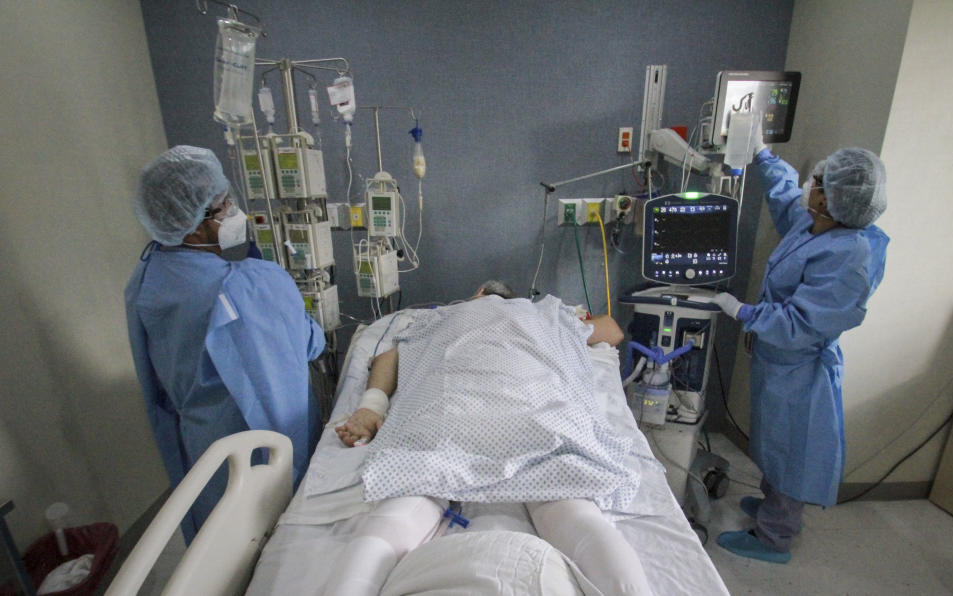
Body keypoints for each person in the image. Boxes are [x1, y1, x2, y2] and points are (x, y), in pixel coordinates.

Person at [326, 281, 657, 596]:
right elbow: (611, 331)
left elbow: (387, 358)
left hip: (445, 420)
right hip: (540, 421)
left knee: (398, 514)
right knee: (575, 513)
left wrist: (372, 408)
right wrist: (573, 317)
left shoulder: (437, 318)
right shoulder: (547, 314)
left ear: (478, 293)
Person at [124, 146, 325, 544]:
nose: (234, 211)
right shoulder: (248, 286)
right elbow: (310, 344)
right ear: (193, 226)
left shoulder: (148, 278)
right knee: (279, 540)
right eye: (223, 206)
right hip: (264, 442)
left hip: (203, 444)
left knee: (223, 543)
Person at [710, 139, 889, 563]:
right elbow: (787, 198)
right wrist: (764, 156)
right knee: (773, 442)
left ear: (831, 198)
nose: (809, 184)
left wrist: (742, 311)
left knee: (792, 452)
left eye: (818, 181)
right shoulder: (814, 224)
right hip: (776, 363)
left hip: (800, 368)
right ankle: (772, 507)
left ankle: (775, 537)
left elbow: (802, 324)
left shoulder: (850, 255)